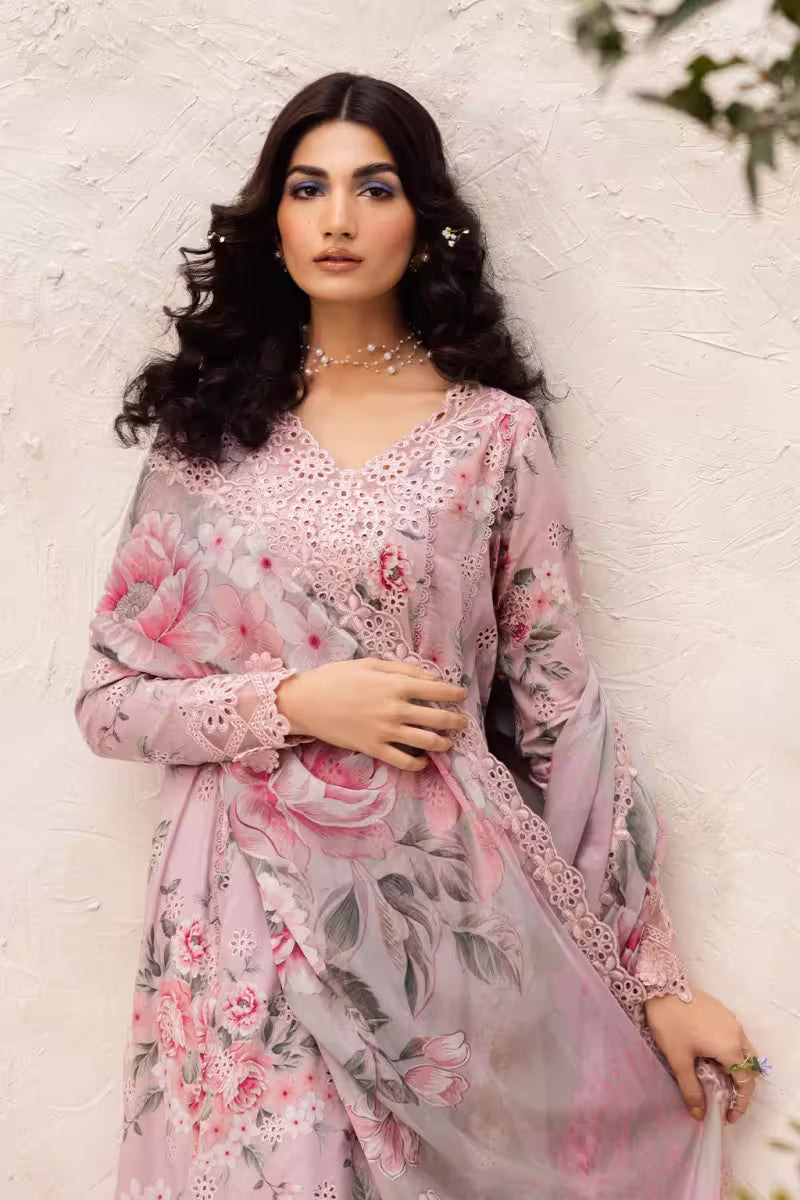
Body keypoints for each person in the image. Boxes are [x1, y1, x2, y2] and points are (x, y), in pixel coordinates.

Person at [74, 71, 765, 1200]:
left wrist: (651, 981)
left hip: (441, 920)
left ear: (426, 218)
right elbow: (110, 702)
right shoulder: (205, 438)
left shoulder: (489, 436)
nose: (337, 217)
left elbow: (558, 710)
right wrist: (293, 705)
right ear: (275, 220)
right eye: (308, 187)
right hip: (244, 926)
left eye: (373, 186)